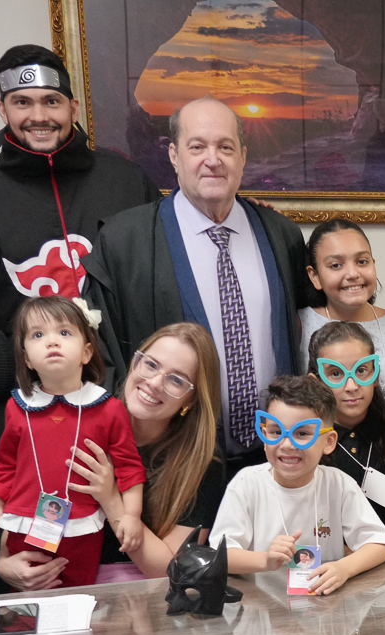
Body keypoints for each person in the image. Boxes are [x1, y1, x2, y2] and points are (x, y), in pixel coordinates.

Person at [88, 97, 313, 469]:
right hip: (172, 461)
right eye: (197, 147)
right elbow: (102, 357)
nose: (213, 159)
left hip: (276, 459)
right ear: (174, 155)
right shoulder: (123, 242)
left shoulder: (281, 234)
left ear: (243, 156)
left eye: (226, 147)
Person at [0, 45, 160, 343]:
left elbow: (165, 271)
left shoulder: (128, 181)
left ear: (73, 108)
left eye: (51, 101)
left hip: (127, 365)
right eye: (22, 103)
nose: (38, 116)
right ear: (3, 110)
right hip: (21, 368)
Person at [0, 296, 147, 589]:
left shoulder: (109, 409)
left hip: (83, 528)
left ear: (86, 352)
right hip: (25, 523)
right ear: (27, 358)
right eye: (38, 335)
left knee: (80, 595)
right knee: (30, 594)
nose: (52, 341)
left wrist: (131, 516)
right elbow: (6, 463)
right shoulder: (17, 407)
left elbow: (129, 468)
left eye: (64, 332)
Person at [209, 374, 385, 593]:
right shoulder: (246, 484)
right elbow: (221, 554)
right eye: (276, 432)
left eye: (302, 433)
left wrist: (344, 568)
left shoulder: (339, 485)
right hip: (262, 605)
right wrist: (265, 560)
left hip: (325, 603)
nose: (287, 444)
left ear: (328, 442)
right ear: (265, 436)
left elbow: (379, 543)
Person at [311, 319, 385, 558]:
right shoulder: (308, 446)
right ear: (316, 382)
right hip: (333, 563)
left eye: (361, 370)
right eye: (335, 373)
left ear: (375, 374)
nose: (351, 385)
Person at [298, 218, 385, 407]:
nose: (353, 274)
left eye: (362, 262)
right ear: (314, 276)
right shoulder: (299, 324)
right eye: (336, 265)